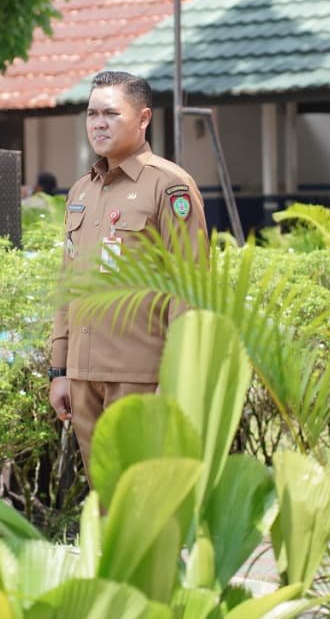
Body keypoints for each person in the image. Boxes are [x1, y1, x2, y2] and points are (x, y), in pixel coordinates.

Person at [48, 71, 208, 466]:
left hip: (141, 376)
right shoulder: (81, 191)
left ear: (143, 118)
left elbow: (190, 287)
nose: (98, 123)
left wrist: (174, 378)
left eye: (111, 113)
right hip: (84, 377)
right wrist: (59, 369)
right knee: (104, 494)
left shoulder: (169, 186)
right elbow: (69, 282)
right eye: (91, 114)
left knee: (147, 497)